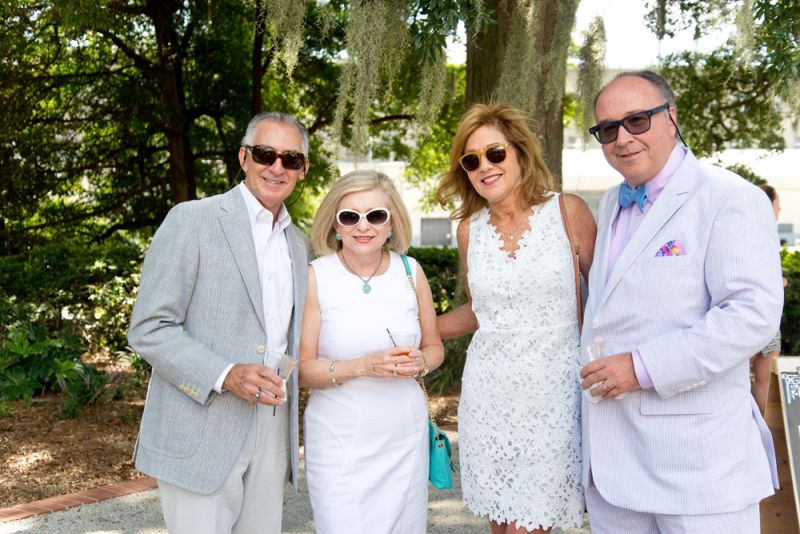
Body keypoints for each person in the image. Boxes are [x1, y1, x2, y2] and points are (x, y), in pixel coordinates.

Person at [579, 71, 783, 533]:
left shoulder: (730, 198)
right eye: (608, 129)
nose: (623, 138)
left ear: (671, 117)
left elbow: (751, 314)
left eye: (636, 120)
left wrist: (642, 367)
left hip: (698, 468)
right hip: (615, 468)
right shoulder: (611, 203)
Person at [128, 112, 313, 534]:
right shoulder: (191, 220)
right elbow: (149, 328)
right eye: (266, 154)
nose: (277, 167)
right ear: (244, 157)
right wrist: (226, 374)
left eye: (291, 159)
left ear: (303, 171)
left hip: (272, 427)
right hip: (200, 427)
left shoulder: (300, 244)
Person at [435, 103, 597, 534]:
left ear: (521, 153)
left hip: (553, 396)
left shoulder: (569, 212)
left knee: (531, 526)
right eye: (471, 161)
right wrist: (418, 329)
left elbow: (605, 301)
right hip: (489, 395)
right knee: (502, 524)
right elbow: (480, 309)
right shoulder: (470, 229)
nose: (484, 166)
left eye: (495, 153)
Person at [298, 170, 445, 534]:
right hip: (338, 441)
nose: (363, 226)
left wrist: (421, 361)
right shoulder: (316, 276)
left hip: (403, 437)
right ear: (335, 225)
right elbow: (301, 370)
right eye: (350, 216)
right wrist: (362, 366)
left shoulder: (411, 271)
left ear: (391, 222)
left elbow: (435, 347)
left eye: (375, 215)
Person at [750, 184, 785, 416]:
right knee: (765, 382)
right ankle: (764, 437)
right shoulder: (766, 234)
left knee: (742, 381)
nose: (779, 209)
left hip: (751, 314)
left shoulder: (742, 229)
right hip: (762, 316)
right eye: (777, 204)